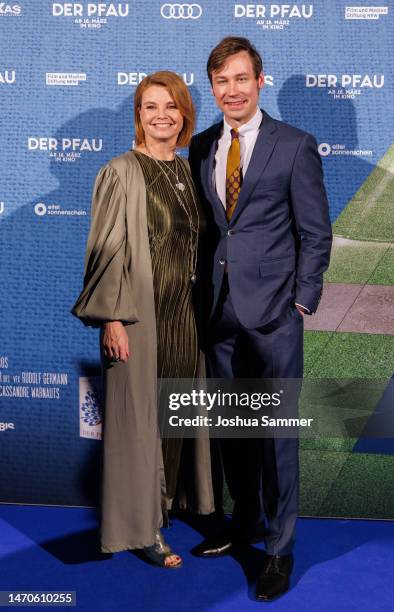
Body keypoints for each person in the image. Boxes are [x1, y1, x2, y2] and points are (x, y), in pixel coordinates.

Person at [189, 38, 332, 599]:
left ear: (260, 82)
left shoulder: (294, 145)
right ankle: (242, 520)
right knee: (232, 430)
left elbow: (315, 232)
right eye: (222, 81)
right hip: (218, 313)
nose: (232, 91)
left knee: (275, 437)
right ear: (214, 87)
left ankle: (278, 549)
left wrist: (303, 298)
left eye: (241, 79)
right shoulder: (202, 145)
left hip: (275, 314)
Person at [72, 71, 214, 568]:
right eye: (151, 106)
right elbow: (107, 249)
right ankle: (142, 529)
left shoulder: (188, 170)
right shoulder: (121, 171)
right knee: (139, 426)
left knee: (173, 419)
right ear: (139, 115)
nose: (161, 116)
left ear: (184, 114)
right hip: (138, 319)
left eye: (170, 106)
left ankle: (166, 507)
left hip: (186, 319)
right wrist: (111, 317)